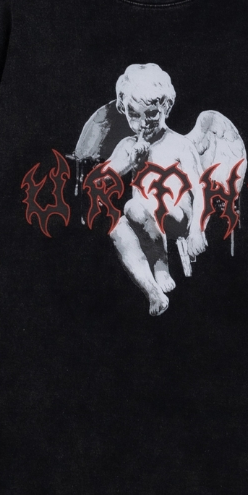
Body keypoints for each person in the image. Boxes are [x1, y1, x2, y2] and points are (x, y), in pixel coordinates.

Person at [102, 64, 208, 316]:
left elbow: (200, 189)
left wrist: (197, 230)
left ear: (166, 108)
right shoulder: (128, 145)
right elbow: (100, 180)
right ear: (124, 109)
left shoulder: (180, 144)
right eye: (134, 115)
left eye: (151, 115)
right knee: (118, 229)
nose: (142, 124)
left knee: (134, 206)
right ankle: (153, 292)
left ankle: (161, 266)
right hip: (143, 220)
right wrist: (128, 163)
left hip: (178, 216)